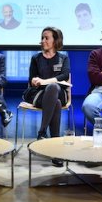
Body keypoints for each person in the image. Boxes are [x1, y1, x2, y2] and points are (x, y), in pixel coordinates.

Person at [23, 26, 70, 167]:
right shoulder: (36, 58)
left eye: (46, 38)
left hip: (58, 93)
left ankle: (42, 132)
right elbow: (31, 79)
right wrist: (35, 81)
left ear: (56, 41)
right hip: (38, 94)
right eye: (42, 38)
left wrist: (45, 81)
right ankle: (55, 150)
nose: (43, 40)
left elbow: (65, 76)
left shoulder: (63, 58)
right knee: (54, 102)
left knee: (54, 88)